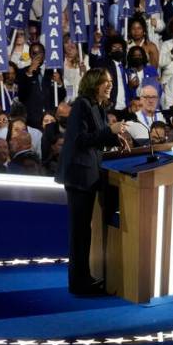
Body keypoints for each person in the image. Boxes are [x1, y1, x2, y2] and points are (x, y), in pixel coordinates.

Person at [55, 68, 131, 296]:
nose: (109, 85)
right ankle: (79, 283)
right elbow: (80, 139)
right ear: (93, 83)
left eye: (110, 81)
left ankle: (85, 277)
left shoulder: (97, 107)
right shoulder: (81, 105)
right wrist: (110, 130)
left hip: (91, 174)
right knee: (80, 232)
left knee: (85, 232)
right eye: (104, 82)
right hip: (79, 176)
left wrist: (114, 137)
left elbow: (95, 137)